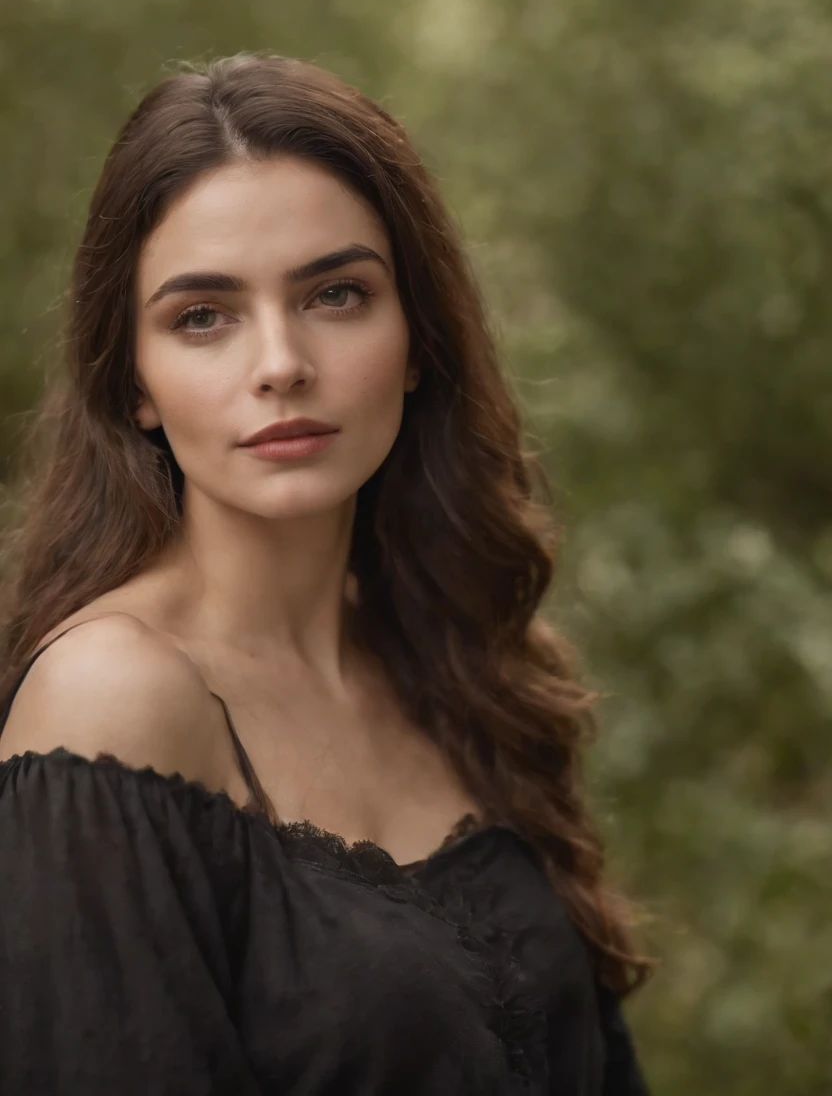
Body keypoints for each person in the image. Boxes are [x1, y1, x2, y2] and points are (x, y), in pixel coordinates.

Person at [0, 53, 651, 1094]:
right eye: (202, 315)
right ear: (136, 387)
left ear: (416, 342)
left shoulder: (451, 652)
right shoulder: (112, 702)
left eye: (336, 294)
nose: (280, 362)